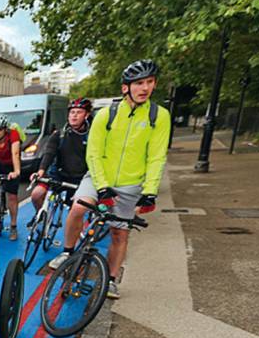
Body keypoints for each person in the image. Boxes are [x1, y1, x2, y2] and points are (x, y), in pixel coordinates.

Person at [49, 60, 169, 299]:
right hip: (97, 177)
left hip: (130, 184)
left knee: (119, 233)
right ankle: (67, 250)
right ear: (126, 87)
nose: (144, 88)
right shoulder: (107, 114)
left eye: (149, 82)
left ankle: (111, 280)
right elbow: (93, 153)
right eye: (138, 83)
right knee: (77, 209)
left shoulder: (159, 116)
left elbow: (157, 156)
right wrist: (102, 187)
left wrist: (150, 191)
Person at [29, 98, 92, 214]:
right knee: (36, 195)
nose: (74, 116)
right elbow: (49, 153)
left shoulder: (91, 136)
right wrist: (41, 171)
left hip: (79, 179)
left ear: (87, 115)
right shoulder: (59, 134)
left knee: (76, 211)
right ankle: (42, 216)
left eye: (79, 112)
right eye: (72, 112)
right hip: (57, 174)